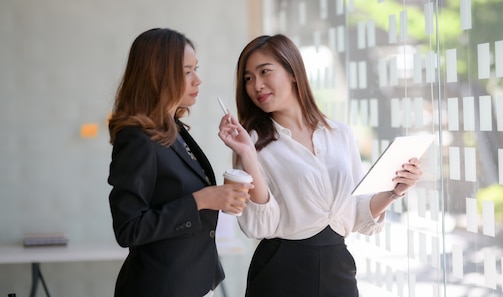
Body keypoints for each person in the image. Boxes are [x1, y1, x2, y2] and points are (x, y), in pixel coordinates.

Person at [218, 34, 423, 297]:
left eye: (265, 72)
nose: (257, 85)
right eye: (248, 78)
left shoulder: (340, 134)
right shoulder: (252, 142)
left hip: (338, 268)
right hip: (280, 272)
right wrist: (248, 155)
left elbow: (357, 214)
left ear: (293, 72)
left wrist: (395, 191)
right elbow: (260, 226)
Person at [107, 28, 252, 297]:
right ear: (158, 74)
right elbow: (128, 229)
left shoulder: (172, 129)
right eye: (187, 71)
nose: (198, 80)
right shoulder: (136, 139)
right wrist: (201, 200)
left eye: (195, 68)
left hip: (192, 282)